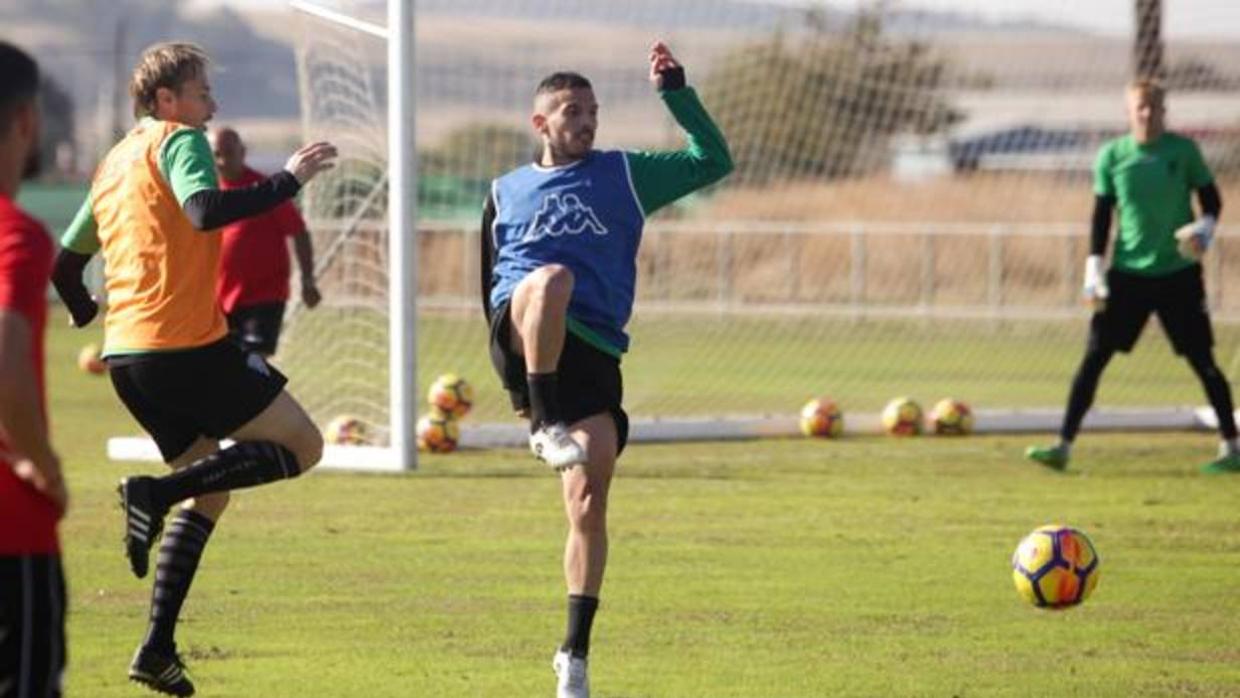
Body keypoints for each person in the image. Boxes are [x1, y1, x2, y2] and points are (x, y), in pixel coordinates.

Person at [50, 42, 336, 696]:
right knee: (303, 445)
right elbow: (204, 212)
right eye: (203, 92)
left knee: (213, 487)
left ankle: (155, 649)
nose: (213, 105)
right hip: (186, 348)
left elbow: (65, 268)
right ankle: (153, 493)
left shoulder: (113, 162)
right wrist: (287, 179)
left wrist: (84, 308)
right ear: (165, 101)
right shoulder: (179, 140)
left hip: (127, 361)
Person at [480, 42, 732, 697]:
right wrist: (517, 386)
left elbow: (715, 160)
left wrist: (675, 90)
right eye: (571, 112)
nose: (586, 122)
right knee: (549, 280)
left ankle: (573, 656)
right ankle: (541, 422)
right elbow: (490, 279)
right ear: (541, 123)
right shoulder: (504, 190)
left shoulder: (624, 174)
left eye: (592, 111)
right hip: (523, 329)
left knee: (588, 499)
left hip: (593, 359)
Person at [1025, 79, 1237, 475]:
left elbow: (1212, 200)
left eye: (1154, 106)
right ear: (1129, 110)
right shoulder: (1112, 155)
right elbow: (1102, 215)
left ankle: (1232, 445)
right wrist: (1093, 270)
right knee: (1094, 358)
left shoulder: (1183, 151)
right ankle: (1062, 446)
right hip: (1127, 276)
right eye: (1140, 106)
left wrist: (1204, 228)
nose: (1147, 113)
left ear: (1163, 110)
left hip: (1178, 273)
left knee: (1203, 361)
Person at [0, 41, 68, 698]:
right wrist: (40, 465)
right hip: (11, 533)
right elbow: (5, 357)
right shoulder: (15, 235)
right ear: (25, 120)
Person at [209, 126, 321, 357]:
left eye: (228, 152)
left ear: (243, 152)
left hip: (263, 297)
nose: (222, 160)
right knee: (222, 369)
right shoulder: (207, 196)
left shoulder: (265, 191)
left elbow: (299, 232)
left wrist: (308, 281)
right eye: (216, 154)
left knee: (253, 365)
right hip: (220, 300)